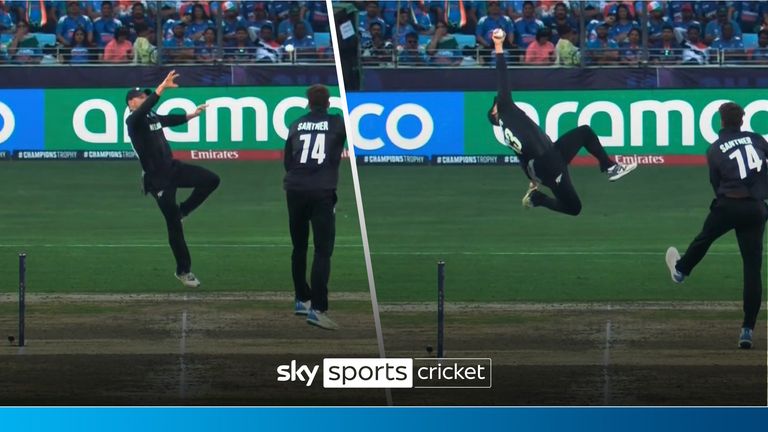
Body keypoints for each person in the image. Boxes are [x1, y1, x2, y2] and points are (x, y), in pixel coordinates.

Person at [487, 29, 636, 216]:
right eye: (495, 104)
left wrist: (531, 179)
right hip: (548, 164)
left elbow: (522, 157)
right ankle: (538, 199)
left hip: (549, 156)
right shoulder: (505, 108)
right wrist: (498, 45)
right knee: (574, 208)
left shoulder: (507, 130)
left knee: (585, 132)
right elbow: (502, 75)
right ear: (495, 113)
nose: (498, 101)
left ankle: (610, 167)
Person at [665, 102, 768, 350]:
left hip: (729, 204)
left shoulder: (714, 149)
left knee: (705, 238)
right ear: (742, 120)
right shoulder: (757, 139)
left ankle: (681, 270)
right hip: (756, 208)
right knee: (752, 268)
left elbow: (716, 182)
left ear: (721, 121)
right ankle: (747, 330)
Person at [125, 70, 220, 289]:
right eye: (140, 97)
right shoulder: (133, 121)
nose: (144, 99)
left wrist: (191, 115)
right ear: (131, 103)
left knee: (211, 180)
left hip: (172, 168)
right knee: (174, 226)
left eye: (145, 96)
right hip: (157, 180)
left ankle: (183, 210)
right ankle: (183, 271)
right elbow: (147, 107)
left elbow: (168, 119)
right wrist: (161, 88)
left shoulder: (151, 116)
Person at [284, 84, 346, 330]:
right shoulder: (337, 123)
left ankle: (302, 298)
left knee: (299, 246)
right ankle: (318, 309)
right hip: (322, 192)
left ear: (308, 103)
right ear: (328, 103)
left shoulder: (296, 124)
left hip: (295, 189)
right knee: (323, 250)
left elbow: (288, 162)